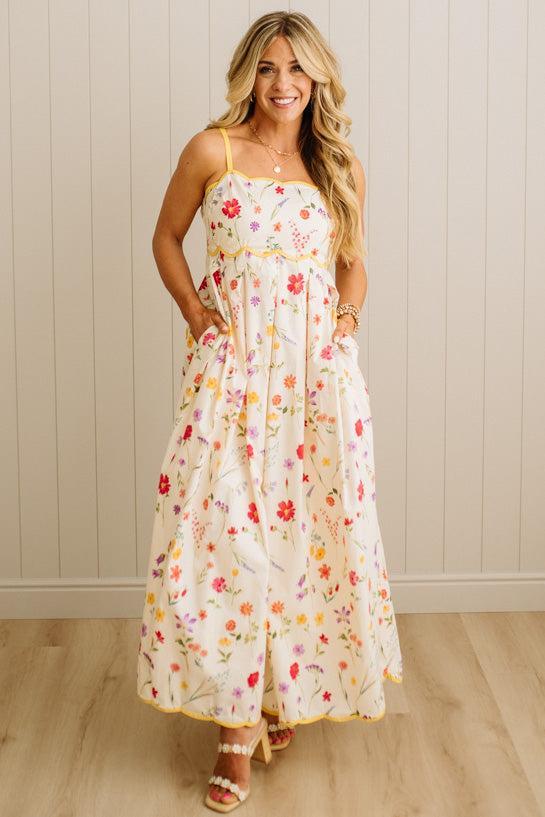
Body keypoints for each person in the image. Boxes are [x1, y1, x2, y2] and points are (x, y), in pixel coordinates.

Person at [136, 10, 403, 812]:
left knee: (304, 540)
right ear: (246, 73)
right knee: (223, 539)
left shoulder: (338, 166)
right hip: (231, 376)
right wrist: (194, 312)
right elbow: (165, 236)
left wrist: (345, 328)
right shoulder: (211, 151)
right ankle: (231, 727)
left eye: (297, 69)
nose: (282, 84)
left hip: (315, 384)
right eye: (267, 68)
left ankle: (273, 692)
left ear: (317, 77)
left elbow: (352, 270)